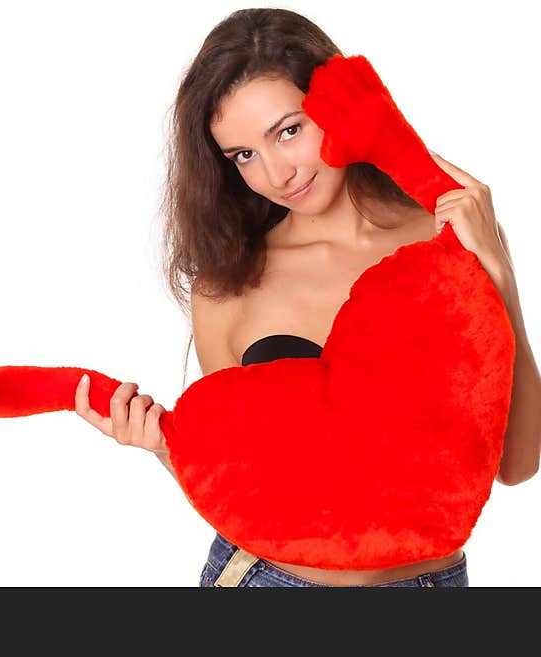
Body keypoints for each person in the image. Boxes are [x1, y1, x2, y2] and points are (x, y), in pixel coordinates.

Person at [74, 8, 541, 587]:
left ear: (336, 106)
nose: (277, 173)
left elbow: (518, 465)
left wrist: (494, 264)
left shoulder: (443, 239)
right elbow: (250, 490)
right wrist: (161, 445)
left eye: (288, 131)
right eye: (243, 155)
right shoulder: (230, 284)